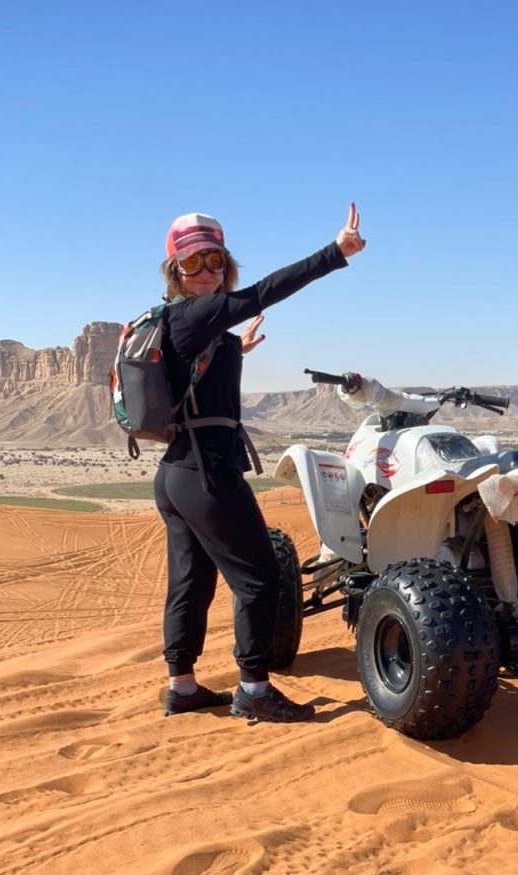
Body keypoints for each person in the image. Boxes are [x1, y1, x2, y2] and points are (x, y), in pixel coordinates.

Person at [154, 204, 366, 722]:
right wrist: (334, 254)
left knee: (191, 580)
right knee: (260, 578)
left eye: (214, 261)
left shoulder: (179, 325)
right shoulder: (197, 313)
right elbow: (265, 292)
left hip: (177, 473)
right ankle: (252, 686)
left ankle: (182, 686)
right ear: (175, 272)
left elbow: (193, 378)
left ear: (225, 263)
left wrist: (234, 351)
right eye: (192, 263)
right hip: (207, 474)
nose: (205, 271)